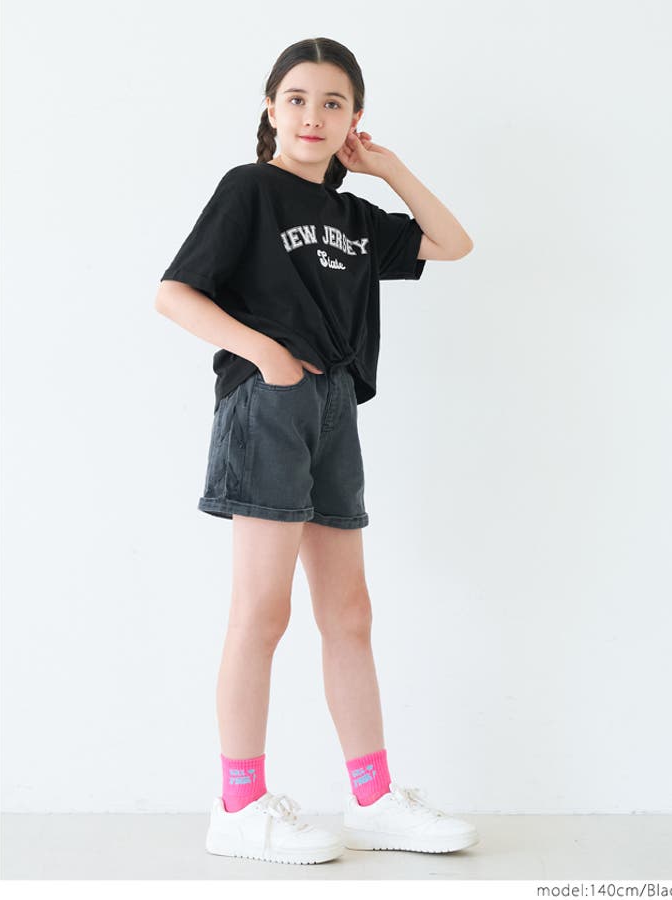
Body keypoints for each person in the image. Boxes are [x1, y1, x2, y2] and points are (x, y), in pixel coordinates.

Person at [155, 37, 477, 866]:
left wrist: (388, 169)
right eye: (296, 98)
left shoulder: (355, 219)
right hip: (269, 404)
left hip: (334, 407)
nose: (312, 115)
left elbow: (452, 243)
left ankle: (372, 799)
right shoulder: (249, 188)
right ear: (271, 108)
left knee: (350, 615)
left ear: (354, 120)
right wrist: (265, 355)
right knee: (261, 613)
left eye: (333, 103)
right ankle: (239, 806)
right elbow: (174, 293)